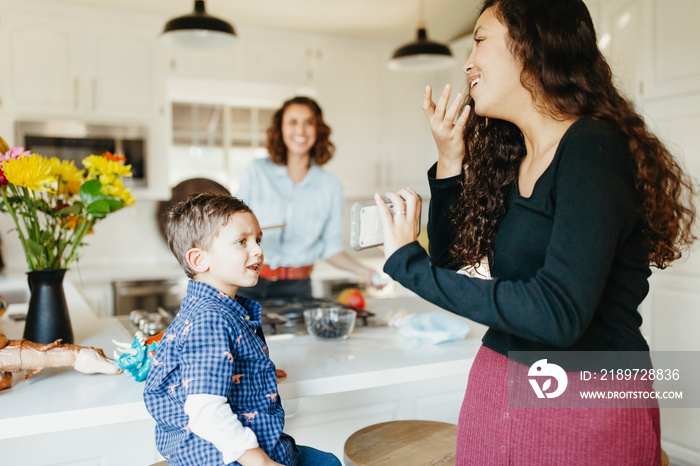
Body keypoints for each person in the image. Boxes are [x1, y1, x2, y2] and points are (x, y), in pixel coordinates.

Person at [374, 0, 696, 464]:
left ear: (533, 44)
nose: (468, 62)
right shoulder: (515, 159)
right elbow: (452, 261)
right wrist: (449, 160)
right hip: (497, 387)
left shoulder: (592, 146)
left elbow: (558, 314)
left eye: (480, 40)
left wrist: (406, 264)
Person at [143, 193, 341, 466]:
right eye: (242, 242)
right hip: (231, 458)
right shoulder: (211, 319)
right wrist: (259, 461)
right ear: (199, 260)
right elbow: (205, 410)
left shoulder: (212, 308)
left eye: (258, 240)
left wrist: (253, 375)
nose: (258, 250)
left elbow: (206, 366)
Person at [237, 96, 382, 300]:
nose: (300, 130)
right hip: (248, 282)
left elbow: (330, 248)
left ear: (318, 130)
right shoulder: (255, 172)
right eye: (293, 122)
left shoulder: (330, 185)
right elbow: (234, 230)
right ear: (280, 129)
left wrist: (364, 271)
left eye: (308, 123)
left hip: (298, 289)